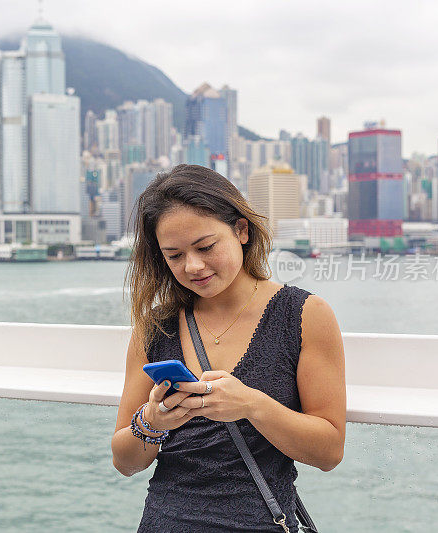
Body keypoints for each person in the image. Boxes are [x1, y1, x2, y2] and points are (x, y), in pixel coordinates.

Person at [111, 164, 346, 532]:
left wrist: (251, 405)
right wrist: (152, 423)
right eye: (174, 255)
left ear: (241, 230)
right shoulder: (155, 326)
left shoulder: (302, 314)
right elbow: (124, 461)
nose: (193, 266)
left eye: (206, 247)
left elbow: (329, 451)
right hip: (164, 522)